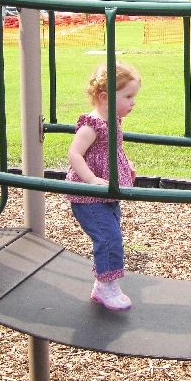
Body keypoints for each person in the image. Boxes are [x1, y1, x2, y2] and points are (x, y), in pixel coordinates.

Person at [65, 61, 141, 310]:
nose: (133, 102)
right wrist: (91, 181)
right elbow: (74, 154)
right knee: (109, 239)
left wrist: (125, 164)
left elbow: (114, 149)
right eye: (128, 96)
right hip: (89, 196)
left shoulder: (114, 120)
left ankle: (105, 284)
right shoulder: (91, 125)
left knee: (112, 235)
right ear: (104, 97)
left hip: (107, 191)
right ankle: (105, 286)